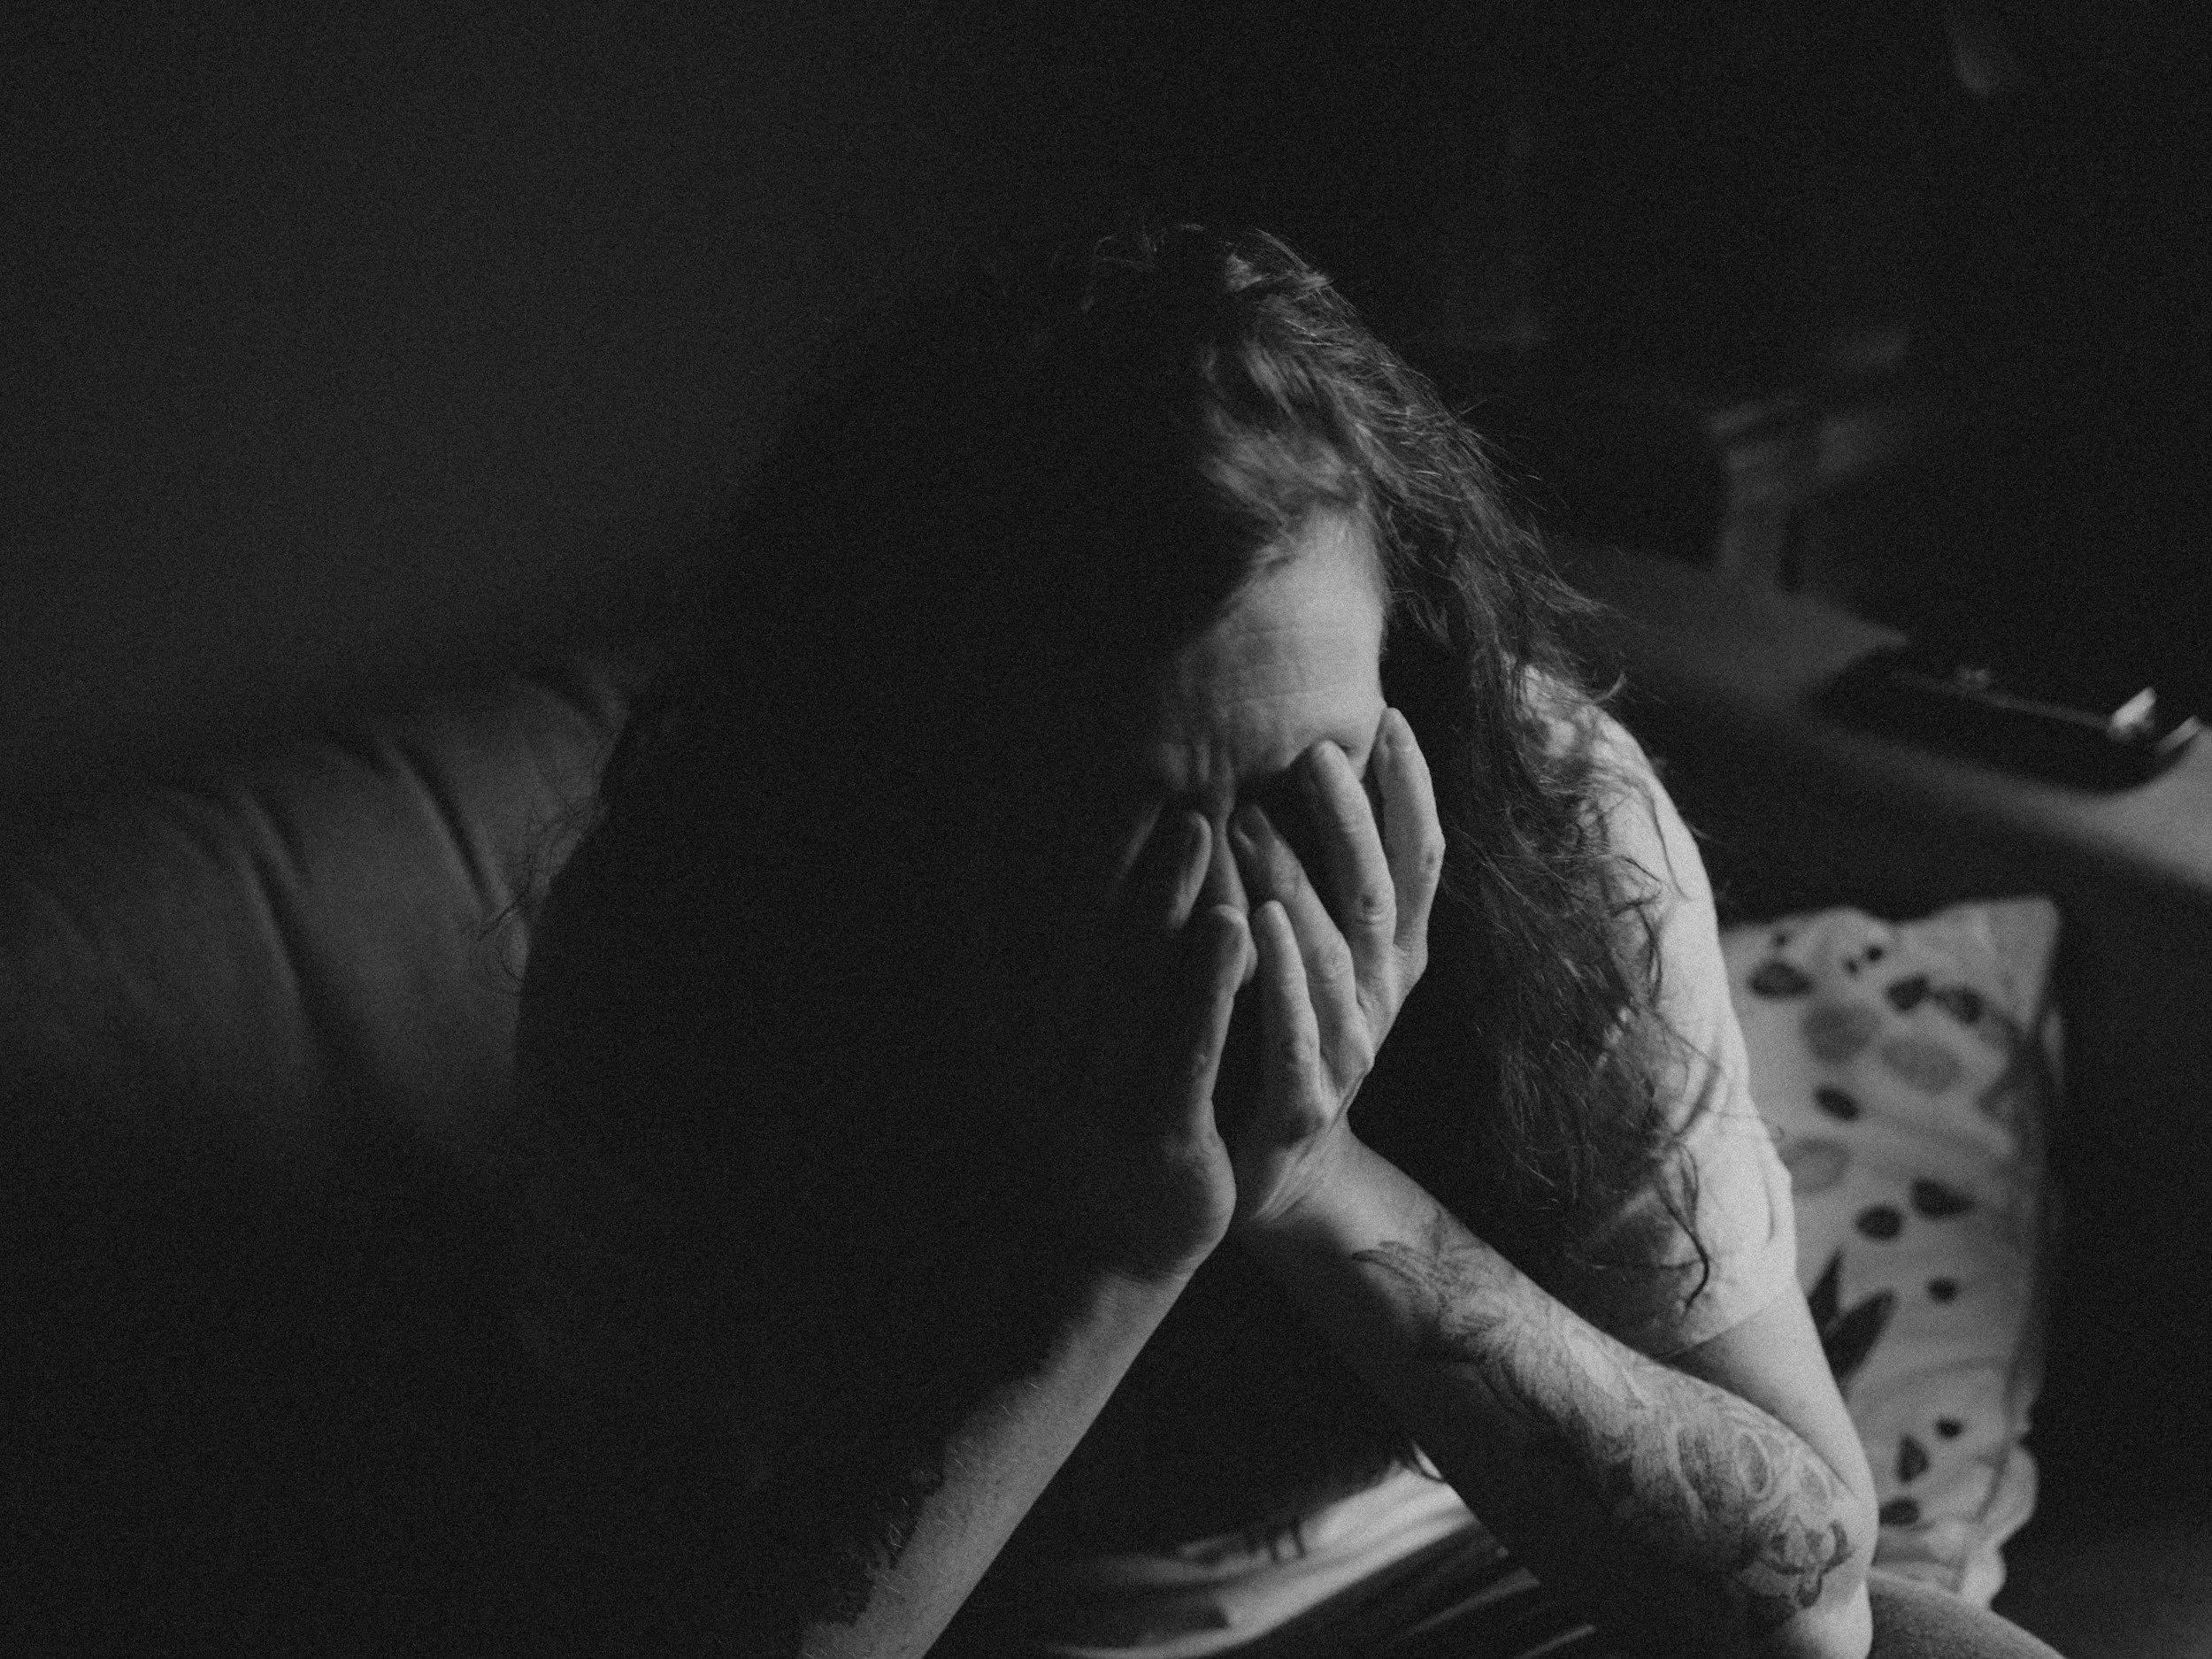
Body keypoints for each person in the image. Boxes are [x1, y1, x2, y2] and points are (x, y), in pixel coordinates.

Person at [498, 226, 2064, 1657]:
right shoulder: (680, 936)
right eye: (1122, 813)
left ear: (1409, 678)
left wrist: (1317, 1183)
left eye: (1304, 782)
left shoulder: (1547, 811)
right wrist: (1120, 1254)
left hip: (1468, 1566)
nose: (1239, 906)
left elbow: (1808, 1599)